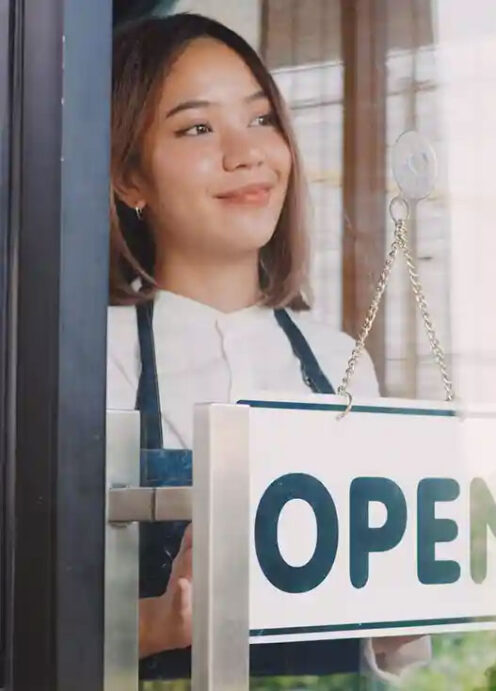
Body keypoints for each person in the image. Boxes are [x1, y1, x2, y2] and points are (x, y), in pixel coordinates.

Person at [106, 12, 429, 683]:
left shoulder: (342, 360)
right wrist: (162, 621)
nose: (247, 152)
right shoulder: (92, 355)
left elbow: (386, 635)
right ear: (128, 177)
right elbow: (31, 612)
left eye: (261, 119)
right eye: (198, 127)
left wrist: (423, 582)